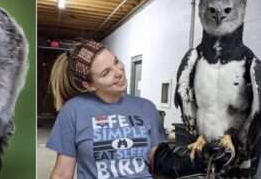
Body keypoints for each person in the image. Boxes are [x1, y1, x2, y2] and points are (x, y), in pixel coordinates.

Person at [46, 40, 231, 179]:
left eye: (116, 61)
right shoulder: (73, 112)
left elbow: (158, 159)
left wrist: (194, 160)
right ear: (89, 85)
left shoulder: (146, 107)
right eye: (106, 72)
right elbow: (62, 174)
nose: (118, 72)